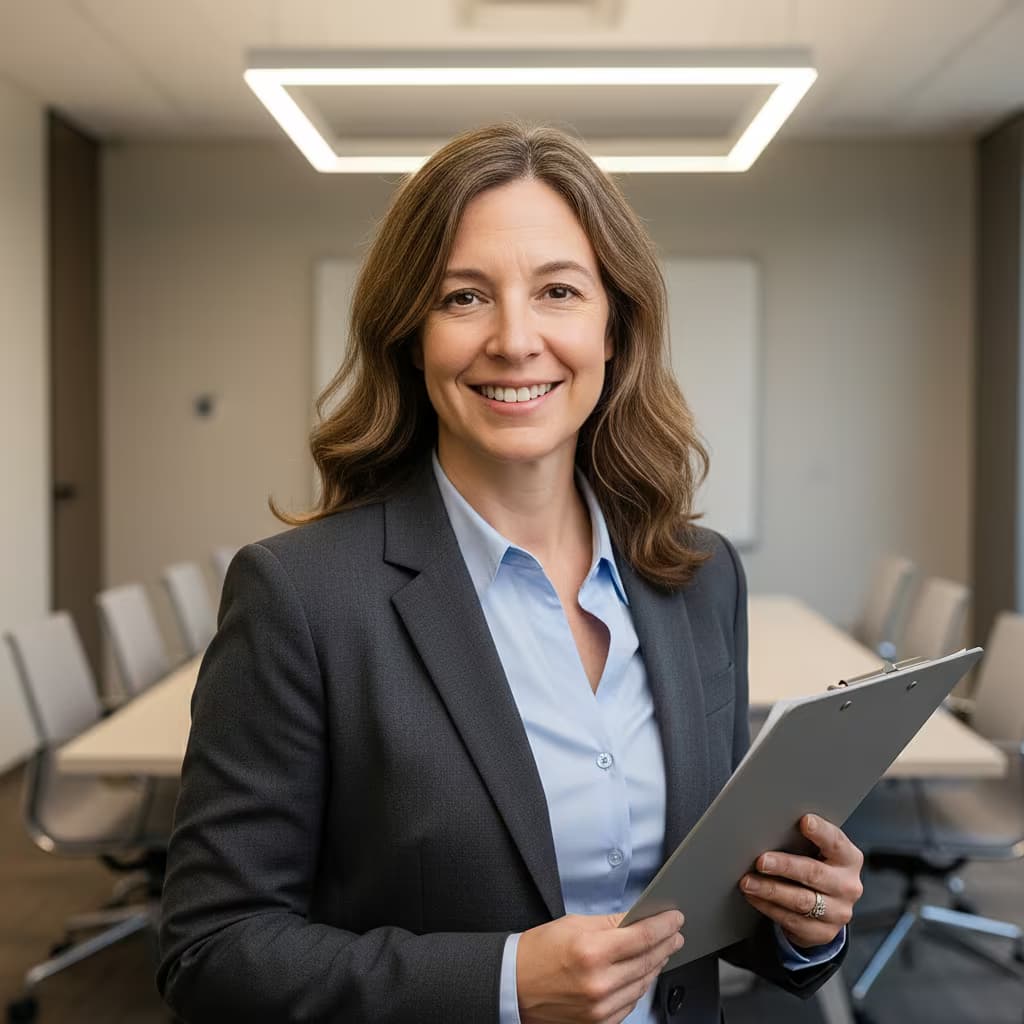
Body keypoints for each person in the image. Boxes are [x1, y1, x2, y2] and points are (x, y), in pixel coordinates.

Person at [157, 121, 863, 1024]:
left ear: (616, 327)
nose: (515, 339)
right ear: (412, 337)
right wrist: (501, 985)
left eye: (559, 291)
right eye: (463, 298)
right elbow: (211, 950)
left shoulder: (697, 578)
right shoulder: (303, 598)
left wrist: (807, 919)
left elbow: (712, 892)